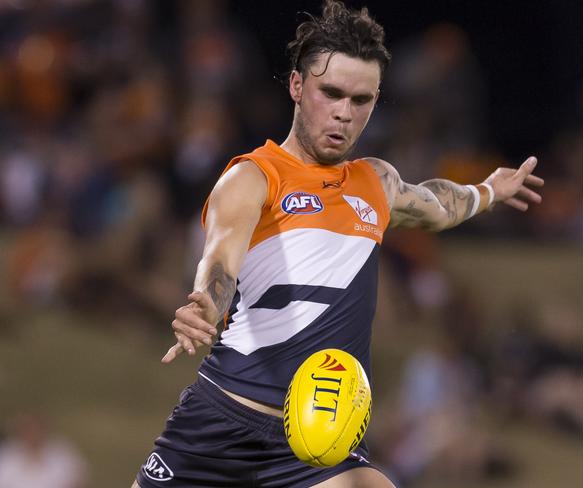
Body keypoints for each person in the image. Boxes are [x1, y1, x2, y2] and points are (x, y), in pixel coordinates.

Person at [133, 1, 543, 487]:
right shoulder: (253, 178)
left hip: (317, 434)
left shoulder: (376, 181)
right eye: (331, 93)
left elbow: (435, 205)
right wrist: (205, 304)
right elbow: (220, 261)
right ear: (296, 86)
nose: (344, 114)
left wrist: (490, 191)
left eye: (361, 100)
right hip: (224, 421)